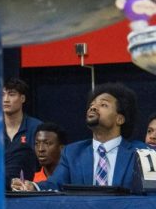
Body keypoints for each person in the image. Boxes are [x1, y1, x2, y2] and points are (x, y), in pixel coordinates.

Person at [15, 83, 147, 193]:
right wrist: (32, 186)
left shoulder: (140, 153)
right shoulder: (72, 152)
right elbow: (55, 184)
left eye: (103, 105)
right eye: (91, 105)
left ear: (120, 119)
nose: (93, 107)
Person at [2, 77, 43, 147]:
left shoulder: (37, 127)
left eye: (11, 94)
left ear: (22, 98)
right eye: (2, 95)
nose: (5, 100)